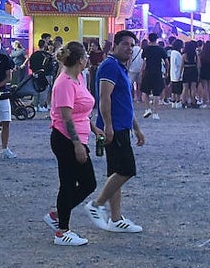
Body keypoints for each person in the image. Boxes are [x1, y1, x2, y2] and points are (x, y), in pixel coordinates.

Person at [87, 30, 146, 234]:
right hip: (115, 128)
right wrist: (108, 126)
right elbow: (105, 98)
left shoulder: (119, 67)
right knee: (126, 169)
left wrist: (137, 128)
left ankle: (116, 218)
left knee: (115, 173)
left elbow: (124, 102)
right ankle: (97, 204)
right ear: (115, 46)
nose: (129, 49)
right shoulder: (110, 66)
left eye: (132, 45)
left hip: (122, 126)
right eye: (125, 45)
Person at [46, 41, 97, 246]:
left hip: (77, 136)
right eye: (85, 56)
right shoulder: (64, 82)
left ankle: (59, 215)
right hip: (65, 138)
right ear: (80, 60)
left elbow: (80, 110)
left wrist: (93, 128)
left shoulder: (79, 78)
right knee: (70, 183)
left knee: (85, 183)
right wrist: (77, 145)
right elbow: (66, 117)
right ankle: (62, 230)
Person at [138, 34, 166, 118]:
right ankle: (155, 113)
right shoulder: (161, 49)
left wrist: (141, 72)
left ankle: (147, 109)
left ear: (149, 39)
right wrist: (166, 71)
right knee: (156, 94)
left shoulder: (146, 49)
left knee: (145, 91)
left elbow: (144, 61)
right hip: (157, 73)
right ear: (156, 39)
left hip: (147, 72)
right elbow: (166, 62)